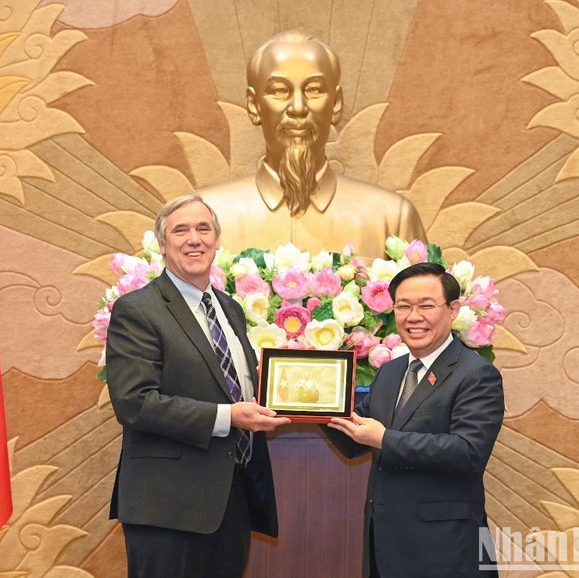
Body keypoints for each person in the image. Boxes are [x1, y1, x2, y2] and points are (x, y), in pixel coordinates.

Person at [105, 194, 291, 578]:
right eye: (181, 230)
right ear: (162, 243)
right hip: (167, 505)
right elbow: (134, 403)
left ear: (217, 240)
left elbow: (236, 384)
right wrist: (229, 416)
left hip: (230, 499)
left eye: (204, 229)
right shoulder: (138, 309)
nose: (194, 239)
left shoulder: (229, 308)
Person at [326, 262, 504, 578]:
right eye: (403, 306)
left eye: (426, 306)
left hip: (449, 552)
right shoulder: (391, 372)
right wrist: (312, 403)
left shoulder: (477, 374)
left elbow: (468, 452)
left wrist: (384, 439)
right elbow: (356, 438)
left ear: (453, 310)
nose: (413, 316)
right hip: (385, 546)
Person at [200, 29, 427, 258]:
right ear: (253, 105)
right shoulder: (203, 217)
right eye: (280, 90)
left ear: (336, 103)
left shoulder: (392, 219)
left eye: (314, 90)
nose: (298, 107)